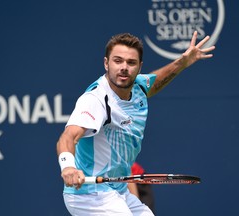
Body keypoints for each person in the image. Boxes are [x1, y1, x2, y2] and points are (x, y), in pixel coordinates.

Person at [56, 31, 215, 216]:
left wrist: (182, 62)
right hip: (89, 195)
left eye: (131, 63)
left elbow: (155, 83)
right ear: (106, 63)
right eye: (118, 61)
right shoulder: (96, 100)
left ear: (139, 67)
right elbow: (68, 137)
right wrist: (68, 166)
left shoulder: (138, 86)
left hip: (118, 190)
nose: (124, 67)